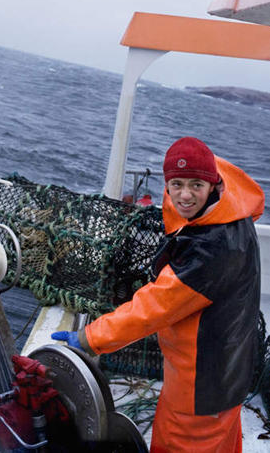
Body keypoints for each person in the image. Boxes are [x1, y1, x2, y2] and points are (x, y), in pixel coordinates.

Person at [52, 136, 264, 453]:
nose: (185, 195)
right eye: (176, 184)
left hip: (201, 387)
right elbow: (213, 166)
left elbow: (151, 309)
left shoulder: (209, 254)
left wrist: (89, 339)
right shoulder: (232, 202)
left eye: (196, 185)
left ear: (212, 184)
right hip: (230, 372)